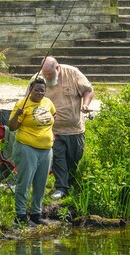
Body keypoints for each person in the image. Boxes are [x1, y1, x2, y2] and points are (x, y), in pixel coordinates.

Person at [39, 56, 93, 200]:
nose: (46, 77)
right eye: (45, 74)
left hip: (75, 129)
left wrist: (85, 104)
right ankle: (61, 187)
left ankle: (71, 182)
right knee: (58, 157)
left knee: (74, 157)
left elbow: (88, 90)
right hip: (52, 129)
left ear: (57, 68)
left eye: (49, 75)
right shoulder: (38, 78)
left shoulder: (73, 73)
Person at [8, 76, 55, 226]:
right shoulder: (22, 104)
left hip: (46, 150)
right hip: (27, 148)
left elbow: (53, 115)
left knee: (41, 183)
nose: (40, 93)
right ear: (30, 90)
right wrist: (17, 114)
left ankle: (36, 214)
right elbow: (12, 127)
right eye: (36, 90)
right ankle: (20, 216)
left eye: (42, 90)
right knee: (25, 182)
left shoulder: (48, 103)